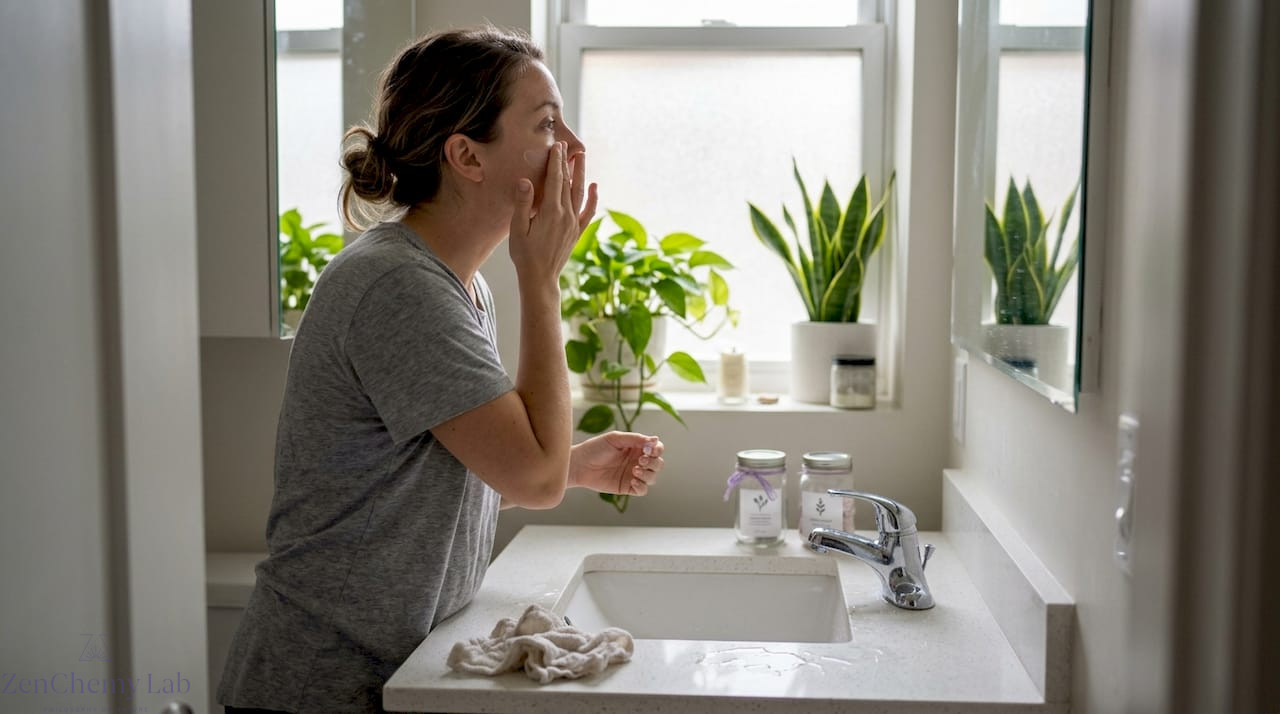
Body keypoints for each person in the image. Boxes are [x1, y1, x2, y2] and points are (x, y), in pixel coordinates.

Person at [217, 27, 666, 714]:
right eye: (546, 123)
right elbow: (534, 483)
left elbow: (437, 476)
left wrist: (572, 464)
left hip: (385, 675)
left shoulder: (456, 285)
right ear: (465, 155)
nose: (572, 147)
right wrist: (541, 282)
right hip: (317, 688)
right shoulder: (397, 286)